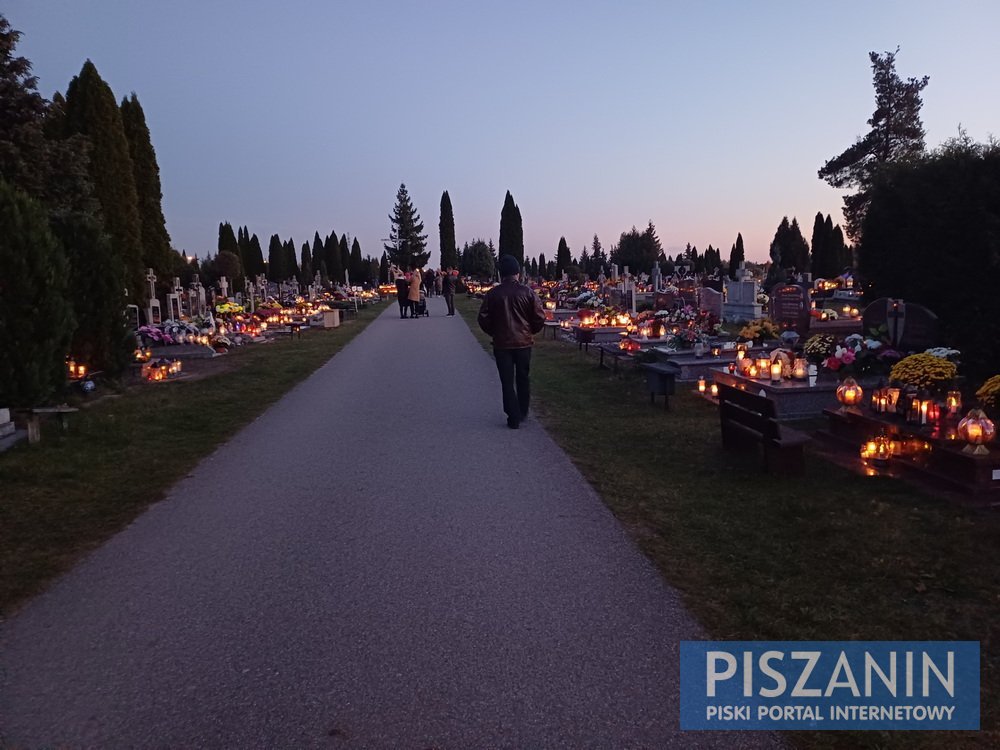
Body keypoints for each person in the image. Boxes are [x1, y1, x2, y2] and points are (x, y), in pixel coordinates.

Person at [477, 255, 546, 429]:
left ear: (502, 274)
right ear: (517, 273)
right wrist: (530, 331)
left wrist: (495, 332)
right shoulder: (527, 292)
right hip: (523, 343)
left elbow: (483, 318)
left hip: (502, 344)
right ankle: (522, 411)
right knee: (523, 377)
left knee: (507, 381)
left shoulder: (493, 294)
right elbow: (539, 317)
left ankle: (512, 416)